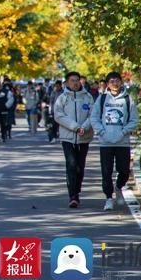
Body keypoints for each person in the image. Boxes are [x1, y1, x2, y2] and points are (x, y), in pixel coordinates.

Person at [91, 71, 139, 211]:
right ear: (107, 84)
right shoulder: (101, 99)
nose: (115, 83)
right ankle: (108, 198)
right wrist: (102, 132)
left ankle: (118, 188)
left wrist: (124, 132)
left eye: (117, 80)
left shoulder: (128, 99)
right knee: (106, 171)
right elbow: (94, 118)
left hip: (122, 142)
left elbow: (134, 120)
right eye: (111, 81)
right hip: (105, 142)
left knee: (124, 171)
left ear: (121, 82)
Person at [53, 72, 94, 208]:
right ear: (67, 83)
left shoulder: (87, 97)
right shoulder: (62, 98)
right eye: (72, 81)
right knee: (71, 165)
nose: (75, 83)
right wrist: (75, 127)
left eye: (77, 80)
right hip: (68, 137)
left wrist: (84, 127)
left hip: (84, 136)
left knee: (80, 167)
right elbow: (59, 116)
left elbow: (93, 115)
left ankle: (77, 190)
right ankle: (73, 195)